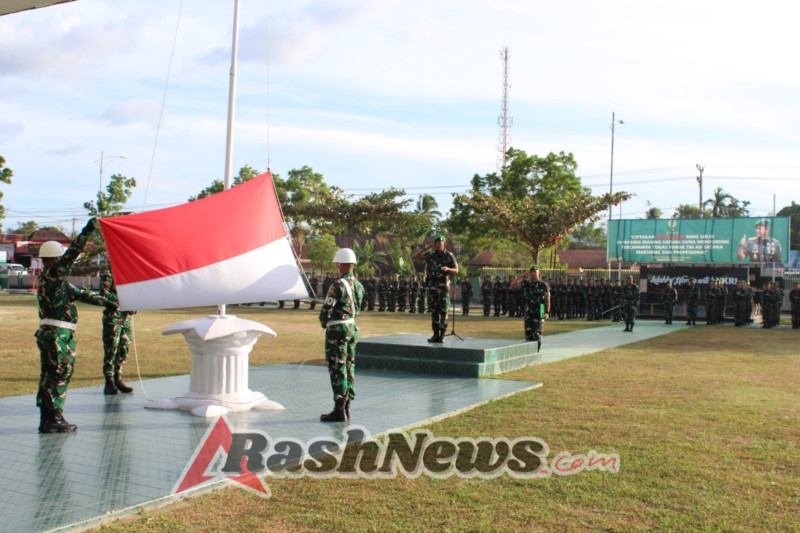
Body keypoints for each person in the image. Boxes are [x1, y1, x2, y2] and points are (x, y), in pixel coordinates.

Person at [36, 218, 111, 433]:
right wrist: (86, 232)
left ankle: (48, 419)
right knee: (59, 374)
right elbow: (71, 255)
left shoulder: (56, 281)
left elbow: (85, 295)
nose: (63, 261)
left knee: (50, 375)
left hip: (56, 333)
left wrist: (115, 302)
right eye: (60, 258)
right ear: (54, 259)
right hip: (57, 334)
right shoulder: (52, 275)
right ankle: (54, 419)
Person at [318, 248, 364, 422]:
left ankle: (339, 408)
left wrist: (324, 322)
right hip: (352, 328)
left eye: (338, 263)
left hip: (337, 330)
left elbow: (327, 309)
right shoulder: (359, 286)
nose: (337, 266)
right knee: (349, 366)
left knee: (337, 367)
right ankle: (347, 407)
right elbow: (357, 309)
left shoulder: (337, 285)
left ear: (343, 264)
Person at [412, 235, 458, 343]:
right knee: (434, 312)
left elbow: (456, 270)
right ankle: (435, 335)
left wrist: (448, 268)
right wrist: (427, 247)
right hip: (432, 287)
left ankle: (442, 335)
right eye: (436, 243)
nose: (437, 245)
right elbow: (416, 256)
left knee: (443, 312)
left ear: (444, 244)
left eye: (440, 243)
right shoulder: (430, 255)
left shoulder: (449, 255)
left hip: (443, 288)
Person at [100, 272, 136, 395]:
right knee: (111, 349)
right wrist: (123, 300)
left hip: (125, 318)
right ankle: (109, 382)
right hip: (113, 318)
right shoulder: (108, 275)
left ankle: (118, 379)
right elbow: (104, 295)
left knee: (123, 349)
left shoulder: (129, 275)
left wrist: (133, 305)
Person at [511, 264, 550, 353]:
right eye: (531, 272)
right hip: (528, 310)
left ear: (539, 273)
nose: (533, 274)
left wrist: (547, 312)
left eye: (535, 272)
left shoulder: (544, 285)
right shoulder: (526, 283)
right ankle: (529, 353)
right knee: (528, 333)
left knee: (537, 333)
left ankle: (536, 352)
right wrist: (523, 275)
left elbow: (547, 299)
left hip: (541, 308)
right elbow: (513, 285)